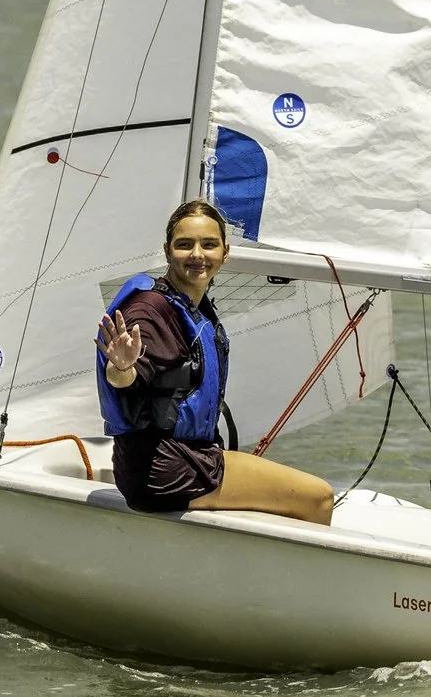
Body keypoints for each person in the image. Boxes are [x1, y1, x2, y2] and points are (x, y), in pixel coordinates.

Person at [96, 198, 336, 525]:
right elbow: (127, 380)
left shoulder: (191, 305)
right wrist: (121, 367)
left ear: (225, 253)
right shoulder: (150, 310)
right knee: (319, 497)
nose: (197, 254)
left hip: (180, 461)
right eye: (185, 245)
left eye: (209, 245)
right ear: (167, 251)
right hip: (166, 470)